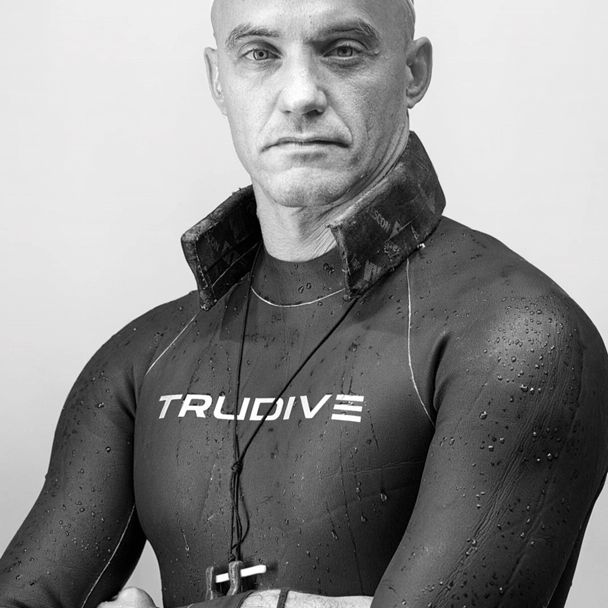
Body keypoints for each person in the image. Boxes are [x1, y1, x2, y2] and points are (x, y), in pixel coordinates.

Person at [1, 1, 607, 608]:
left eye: (343, 50)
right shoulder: (143, 358)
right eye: (260, 54)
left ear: (413, 72)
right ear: (218, 79)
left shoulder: (522, 337)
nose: (299, 96)